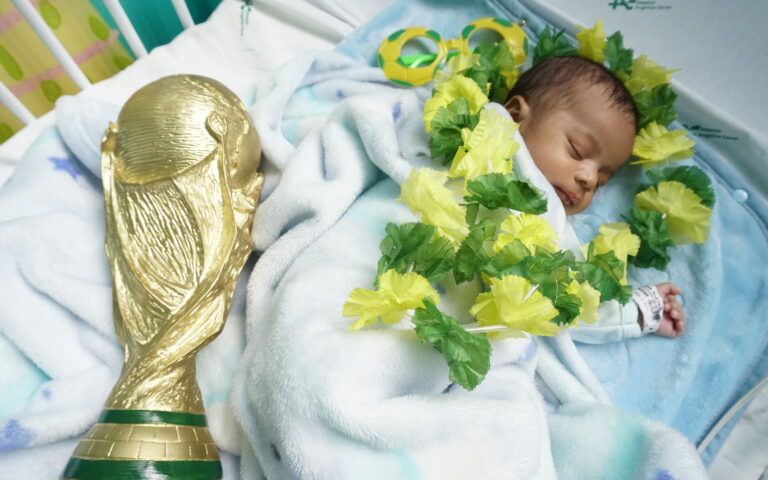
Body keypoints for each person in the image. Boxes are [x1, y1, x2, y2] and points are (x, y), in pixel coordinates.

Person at [503, 56, 685, 339]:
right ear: (515, 116)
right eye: (577, 150)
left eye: (600, 182)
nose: (588, 179)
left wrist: (640, 310)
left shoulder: (550, 227)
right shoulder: (473, 135)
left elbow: (575, 303)